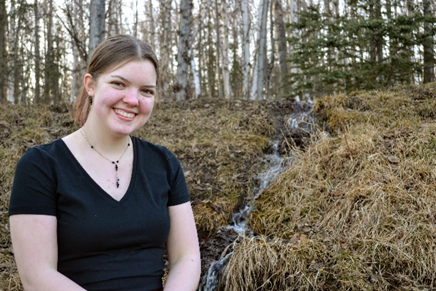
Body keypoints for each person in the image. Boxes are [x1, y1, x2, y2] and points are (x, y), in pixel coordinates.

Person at [9, 34, 201, 291]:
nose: (133, 100)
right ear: (90, 84)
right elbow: (37, 275)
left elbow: (185, 257)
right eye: (119, 84)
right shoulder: (41, 166)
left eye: (146, 91)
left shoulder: (164, 164)